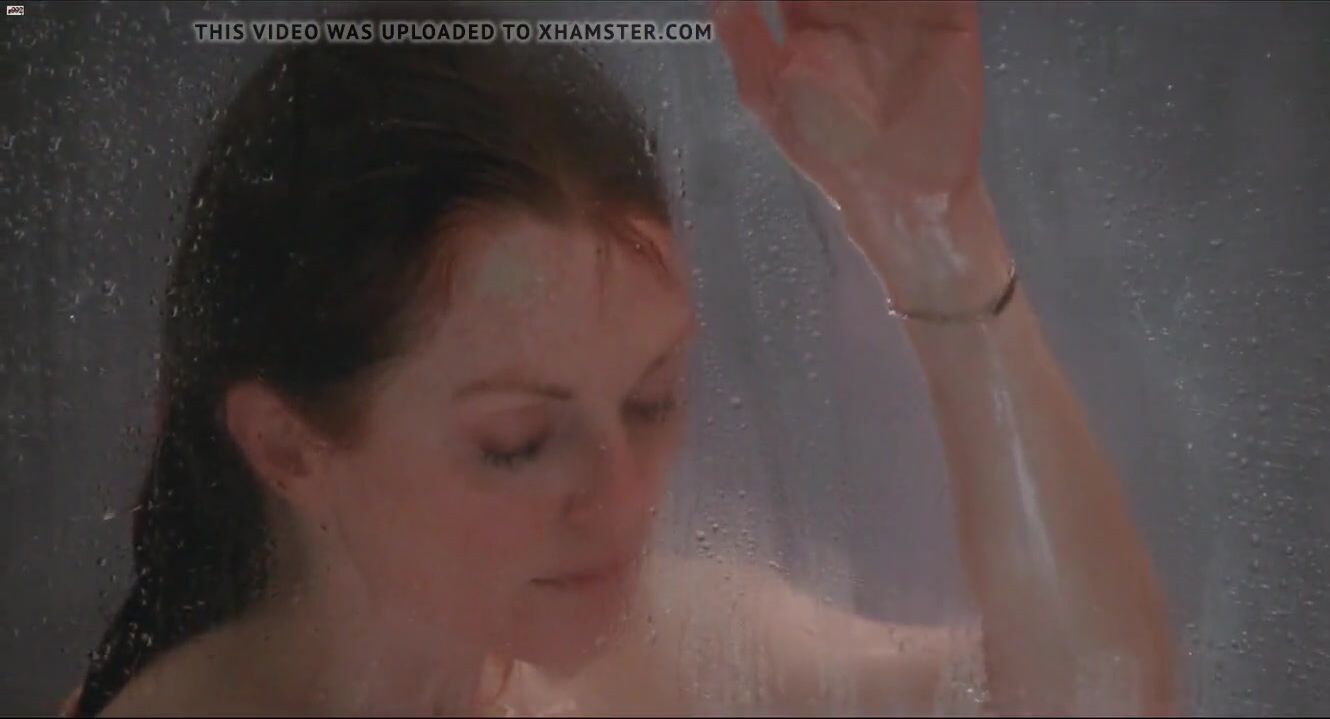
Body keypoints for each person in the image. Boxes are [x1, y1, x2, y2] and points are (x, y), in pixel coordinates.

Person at [69, 1, 1176, 715]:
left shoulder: (653, 655)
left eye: (651, 400)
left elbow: (1094, 699)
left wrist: (938, 233)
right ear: (289, 448)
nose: (623, 492)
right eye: (517, 441)